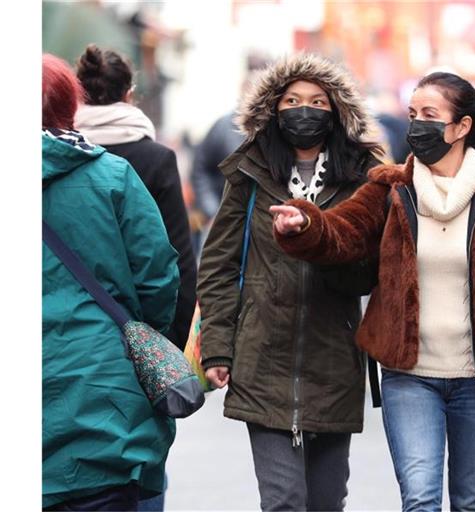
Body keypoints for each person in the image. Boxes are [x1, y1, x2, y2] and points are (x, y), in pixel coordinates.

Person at [271, 71, 475, 511]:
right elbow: (343, 232)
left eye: (429, 115)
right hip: (408, 378)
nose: (417, 125)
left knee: (471, 501)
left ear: (462, 126)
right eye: (412, 114)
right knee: (420, 499)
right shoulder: (390, 190)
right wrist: (306, 223)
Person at [196, 53, 383, 512]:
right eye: (293, 100)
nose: (305, 109)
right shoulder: (251, 174)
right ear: (273, 110)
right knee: (283, 501)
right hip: (262, 357)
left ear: (336, 111)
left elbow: (370, 269)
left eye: (318, 101)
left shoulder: (361, 178)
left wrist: (317, 239)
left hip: (334, 359)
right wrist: (219, 347)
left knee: (325, 502)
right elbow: (218, 264)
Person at [42, 53, 179, 511]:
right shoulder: (112, 176)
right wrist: (142, 334)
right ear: (69, 106)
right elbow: (159, 276)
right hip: (107, 403)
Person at [74, 44, 196, 353]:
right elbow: (179, 255)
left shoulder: (60, 155)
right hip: (140, 330)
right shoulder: (157, 159)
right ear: (130, 93)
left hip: (71, 328)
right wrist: (172, 346)